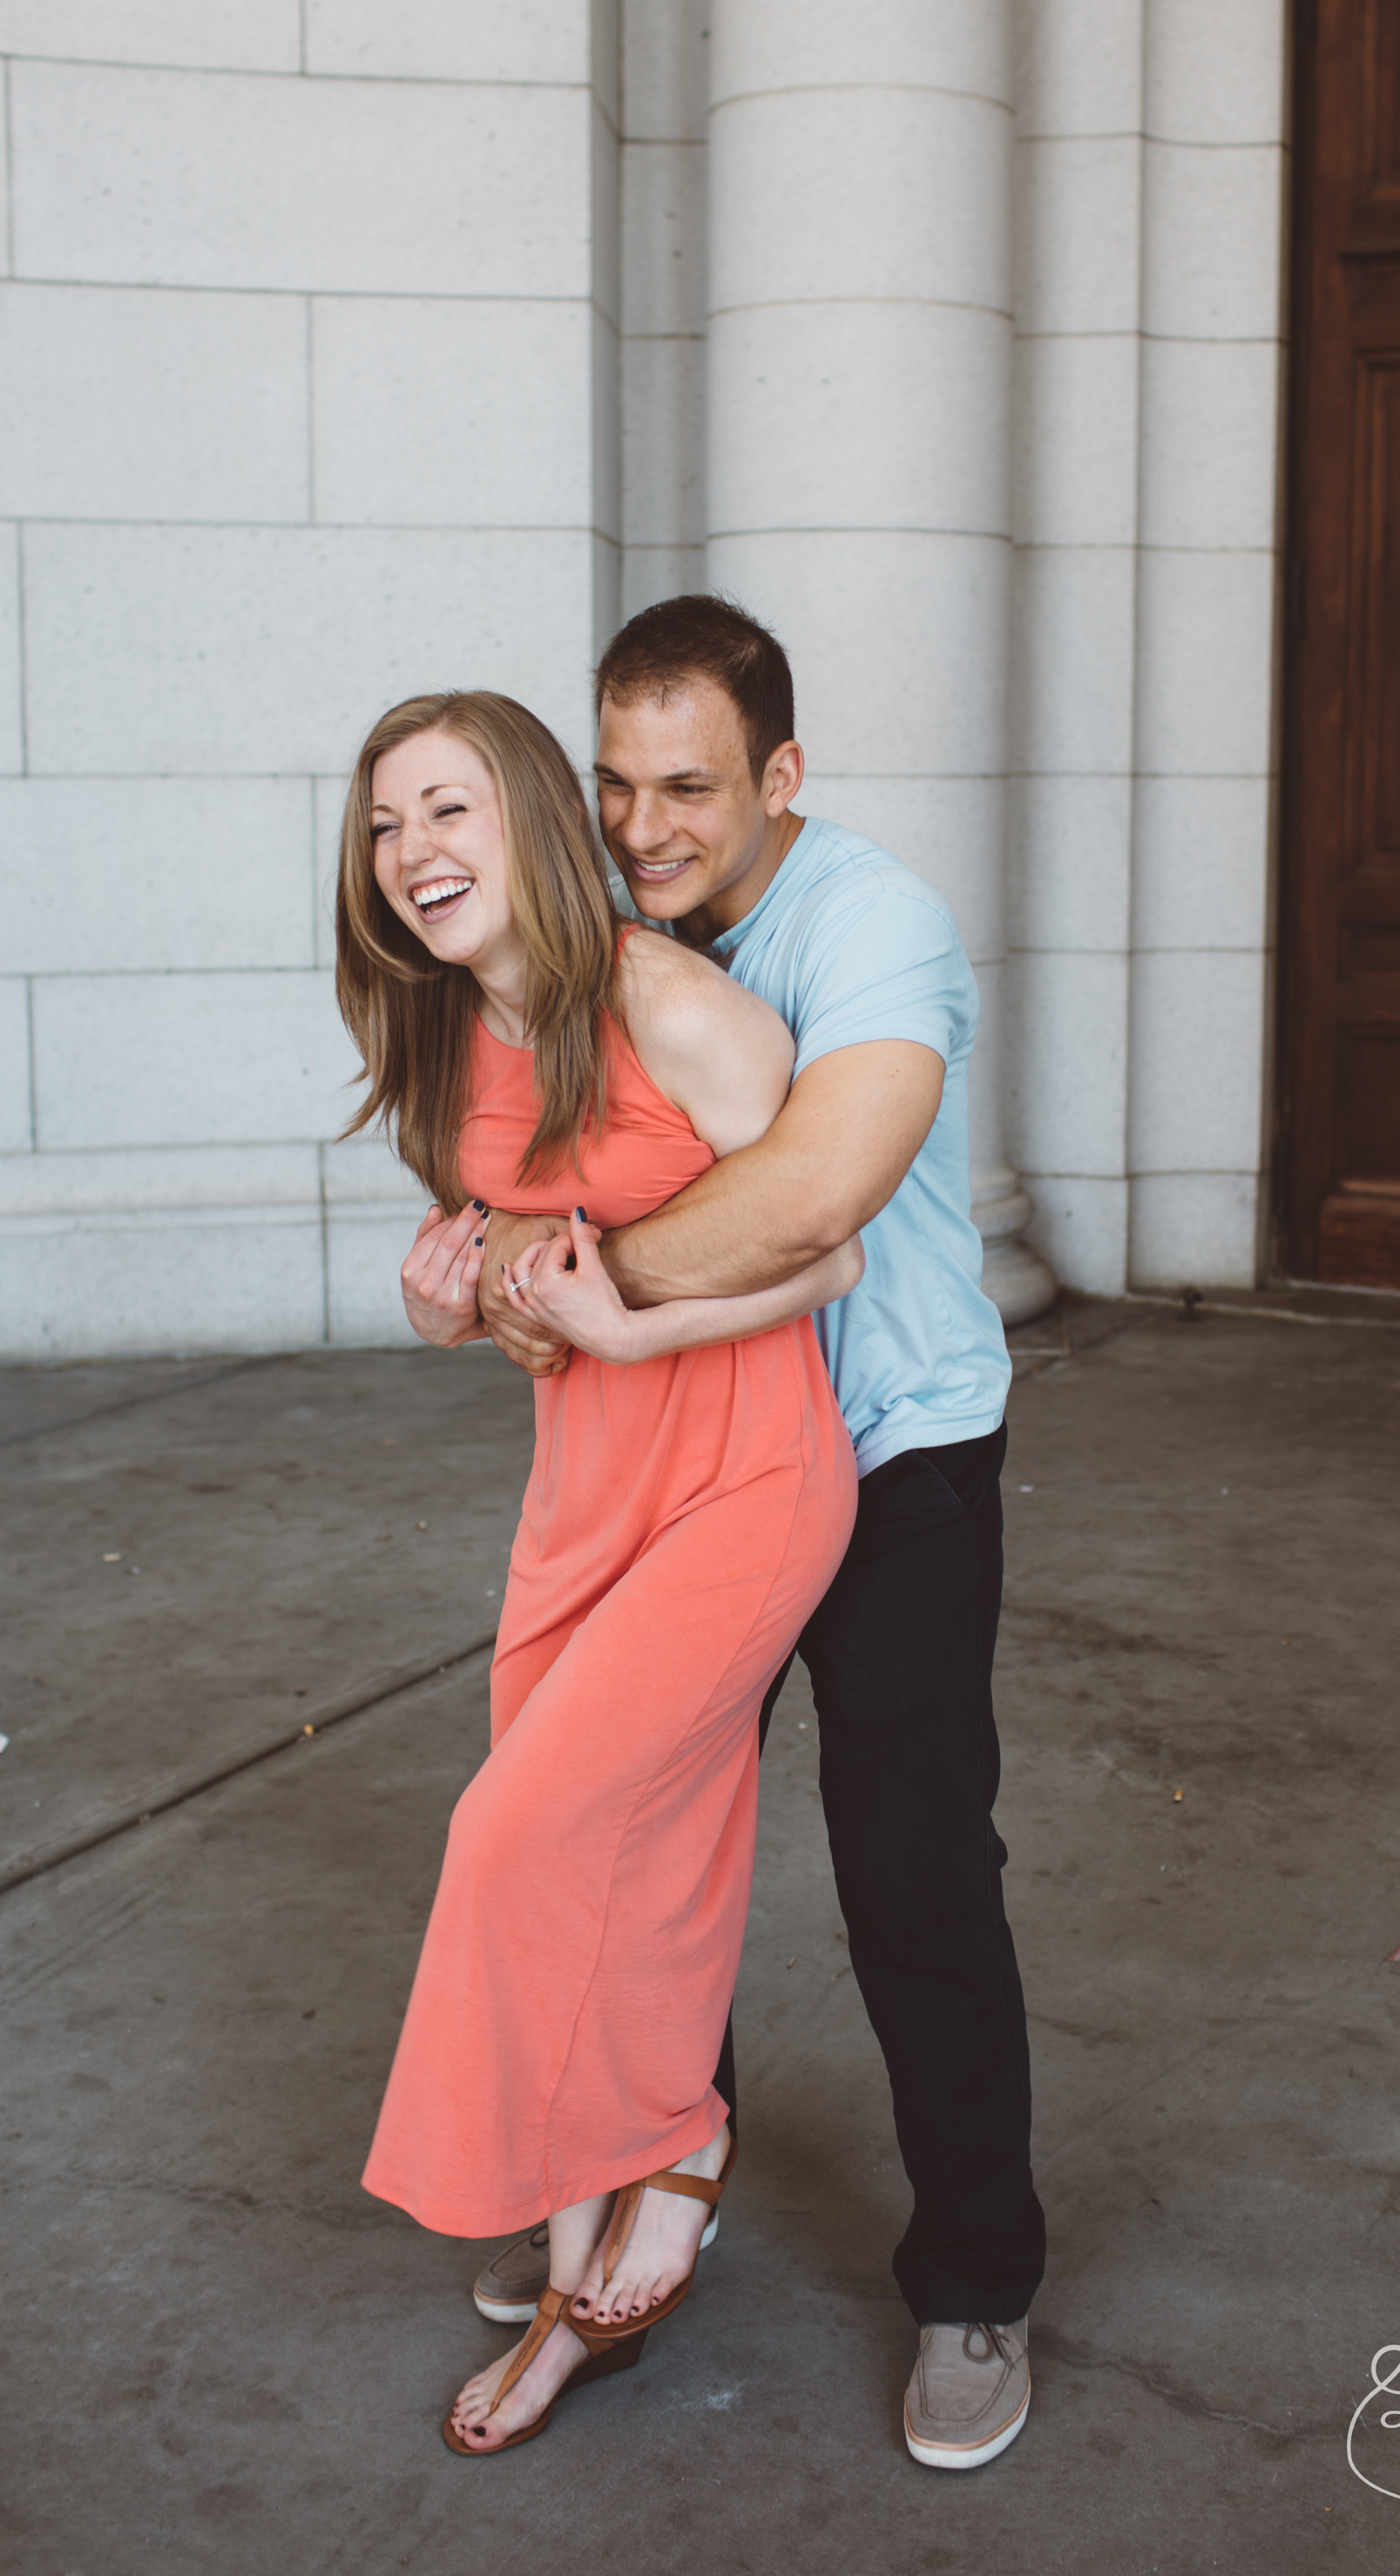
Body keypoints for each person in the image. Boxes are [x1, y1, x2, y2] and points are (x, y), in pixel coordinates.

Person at [470, 596, 1045, 2471]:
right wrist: (484, 1265)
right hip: (677, 1456)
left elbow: (816, 1185)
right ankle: (641, 2202)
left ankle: (971, 2280)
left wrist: (566, 1283)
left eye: (689, 785)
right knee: (642, 1839)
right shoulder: (603, 933)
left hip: (888, 1457)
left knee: (908, 1871)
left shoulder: (869, 921)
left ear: (779, 775)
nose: (639, 824)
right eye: (614, 780)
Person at [341, 686, 861, 2456]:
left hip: (742, 1475)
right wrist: (443, 1308)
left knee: (515, 1830)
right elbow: (512, 1277)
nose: (414, 850)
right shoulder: (445, 1040)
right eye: (387, 822)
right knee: (604, 1868)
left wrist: (634, 1336)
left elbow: (824, 1243)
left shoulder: (670, 1001)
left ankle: (681, 2138)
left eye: (449, 807)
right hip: (580, 1498)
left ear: (538, 823)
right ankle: (577, 2294)